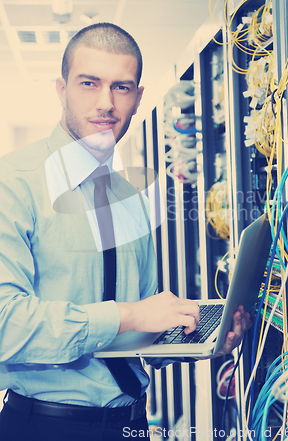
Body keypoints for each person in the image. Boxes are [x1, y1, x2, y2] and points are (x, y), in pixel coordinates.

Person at [0, 23, 250, 440]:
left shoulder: (131, 199)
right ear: (61, 90)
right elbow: (7, 325)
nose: (105, 103)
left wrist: (199, 339)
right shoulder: (14, 183)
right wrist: (129, 313)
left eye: (121, 87)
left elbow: (140, 337)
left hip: (130, 425)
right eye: (89, 83)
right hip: (45, 426)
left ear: (138, 99)